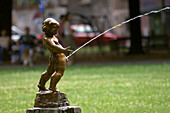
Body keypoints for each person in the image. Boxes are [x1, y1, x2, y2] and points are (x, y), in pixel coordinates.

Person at [38, 18, 72, 92]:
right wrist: (64, 51)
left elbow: (58, 45)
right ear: (49, 28)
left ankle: (41, 84)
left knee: (49, 72)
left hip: (55, 56)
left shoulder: (51, 36)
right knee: (59, 72)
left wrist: (64, 52)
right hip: (57, 57)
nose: (56, 31)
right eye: (55, 29)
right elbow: (54, 47)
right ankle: (52, 87)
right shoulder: (48, 39)